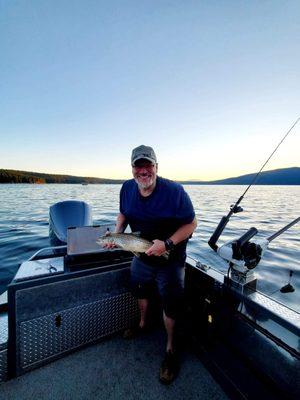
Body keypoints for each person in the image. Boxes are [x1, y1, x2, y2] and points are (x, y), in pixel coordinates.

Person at [108, 145, 197, 384]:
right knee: (140, 290)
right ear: (132, 169)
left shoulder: (175, 191)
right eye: (139, 165)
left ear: (157, 167)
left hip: (170, 259)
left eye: (148, 165)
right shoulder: (127, 188)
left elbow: (191, 224)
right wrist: (116, 236)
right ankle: (143, 324)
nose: (143, 171)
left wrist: (167, 244)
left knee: (171, 304)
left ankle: (170, 349)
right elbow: (123, 214)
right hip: (141, 257)